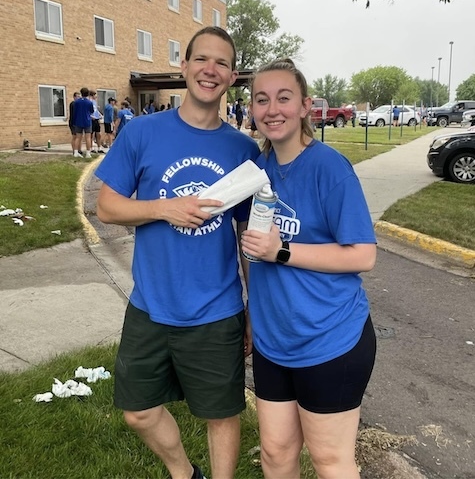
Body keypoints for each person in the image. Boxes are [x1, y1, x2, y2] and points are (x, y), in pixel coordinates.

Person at [95, 26, 259, 479]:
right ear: (183, 68)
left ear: (231, 76)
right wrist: (163, 208)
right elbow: (106, 207)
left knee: (221, 415)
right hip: (151, 305)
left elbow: (247, 236)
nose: (210, 70)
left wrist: (252, 308)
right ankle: (186, 475)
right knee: (138, 410)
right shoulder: (142, 132)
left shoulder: (242, 150)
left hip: (217, 309)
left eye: (221, 63)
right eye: (201, 59)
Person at [240, 58, 377, 479]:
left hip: (330, 340)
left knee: (330, 461)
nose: (272, 109)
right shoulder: (255, 174)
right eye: (261, 100)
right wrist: (251, 314)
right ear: (252, 110)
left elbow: (362, 256)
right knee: (275, 454)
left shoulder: (328, 167)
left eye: (284, 98)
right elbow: (248, 250)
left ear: (304, 106)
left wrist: (282, 250)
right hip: (272, 342)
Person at [72, 87, 94, 158]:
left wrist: (74, 121)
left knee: (78, 137)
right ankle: (88, 153)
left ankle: (75, 152)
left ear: (81, 93)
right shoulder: (89, 102)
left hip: (78, 121)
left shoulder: (77, 102)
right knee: (88, 137)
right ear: (88, 94)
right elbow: (92, 111)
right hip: (87, 121)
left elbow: (74, 112)